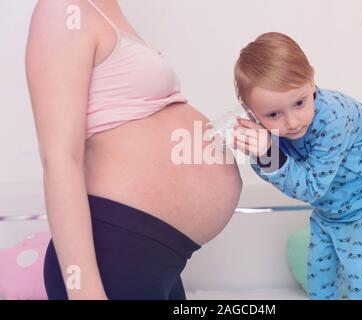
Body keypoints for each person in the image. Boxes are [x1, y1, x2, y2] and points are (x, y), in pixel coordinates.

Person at [26, 0, 242, 300]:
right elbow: (60, 158)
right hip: (113, 254)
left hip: (161, 257)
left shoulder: (106, 10)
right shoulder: (63, 8)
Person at [232, 32, 362, 299]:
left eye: (299, 103)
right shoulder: (268, 127)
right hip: (330, 207)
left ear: (312, 80)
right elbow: (277, 169)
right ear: (251, 111)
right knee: (320, 274)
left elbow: (310, 186)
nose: (292, 123)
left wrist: (268, 151)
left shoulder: (335, 117)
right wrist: (260, 150)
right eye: (273, 114)